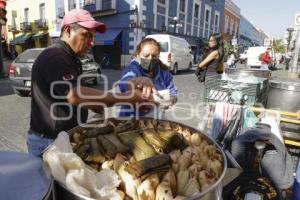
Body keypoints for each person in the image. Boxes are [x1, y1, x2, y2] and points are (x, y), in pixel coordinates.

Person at [28, 9, 156, 156]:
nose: (92, 42)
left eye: (93, 36)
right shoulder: (55, 57)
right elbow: (75, 95)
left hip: (62, 138)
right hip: (49, 142)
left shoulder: (72, 58)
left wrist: (95, 104)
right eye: (86, 35)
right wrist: (129, 98)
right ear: (68, 30)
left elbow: (76, 94)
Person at [118, 38, 178, 117]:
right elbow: (124, 83)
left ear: (158, 56)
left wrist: (172, 98)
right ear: (138, 55)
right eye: (146, 55)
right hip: (131, 119)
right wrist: (139, 81)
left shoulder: (163, 72)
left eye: (154, 56)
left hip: (156, 118)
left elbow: (172, 90)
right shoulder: (133, 69)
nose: (150, 59)